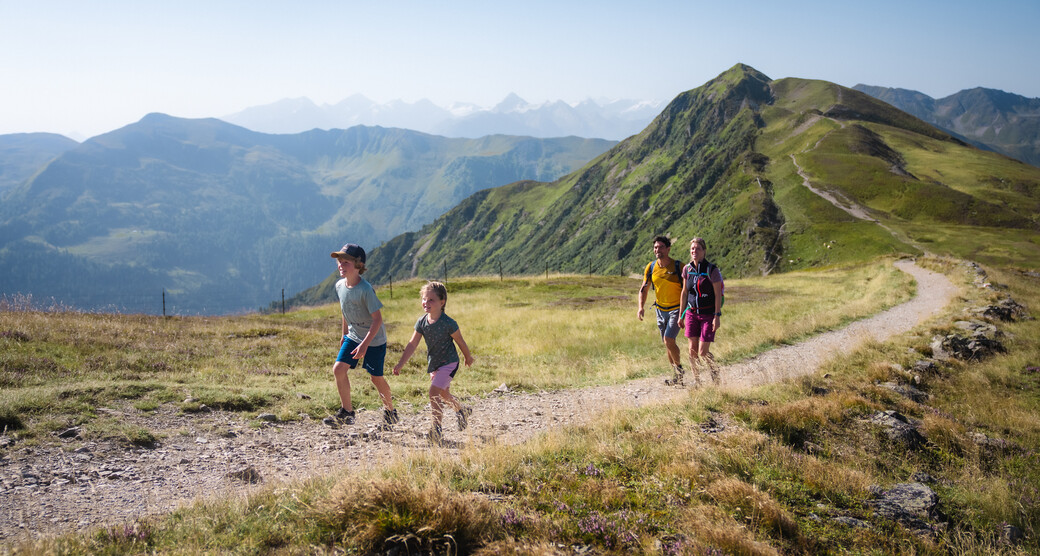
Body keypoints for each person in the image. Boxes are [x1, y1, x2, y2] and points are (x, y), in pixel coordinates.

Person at [324, 243, 399, 428]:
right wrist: (344, 334)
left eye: (346, 261)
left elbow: (378, 319)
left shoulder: (366, 290)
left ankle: (390, 412)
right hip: (353, 336)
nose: (341, 265)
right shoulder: (339, 286)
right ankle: (347, 412)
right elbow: (344, 310)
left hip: (374, 341)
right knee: (338, 370)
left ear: (358, 264)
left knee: (376, 378)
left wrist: (365, 345)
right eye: (339, 262)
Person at [392, 281, 474, 444]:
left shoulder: (448, 323)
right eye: (424, 299)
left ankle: (436, 429)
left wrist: (468, 357)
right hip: (434, 364)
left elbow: (460, 341)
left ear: (442, 302)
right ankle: (462, 410)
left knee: (433, 392)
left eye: (431, 300)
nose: (426, 303)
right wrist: (401, 363)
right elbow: (412, 343)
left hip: (449, 363)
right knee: (443, 394)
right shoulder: (421, 322)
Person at [637, 235, 686, 385]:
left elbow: (688, 289)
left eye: (661, 247)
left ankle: (679, 371)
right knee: (667, 344)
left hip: (676, 309)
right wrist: (641, 307)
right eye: (655, 247)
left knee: (668, 340)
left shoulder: (679, 266)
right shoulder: (651, 267)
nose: (657, 250)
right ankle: (676, 376)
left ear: (668, 249)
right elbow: (644, 289)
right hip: (660, 310)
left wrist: (686, 311)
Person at [678, 237, 724, 386]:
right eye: (692, 249)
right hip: (691, 313)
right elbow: (684, 292)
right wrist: (681, 315)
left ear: (704, 251)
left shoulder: (712, 270)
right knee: (692, 350)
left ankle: (715, 374)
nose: (694, 251)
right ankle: (697, 382)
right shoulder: (687, 269)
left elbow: (718, 294)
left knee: (703, 351)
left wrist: (716, 316)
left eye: (697, 249)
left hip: (707, 314)